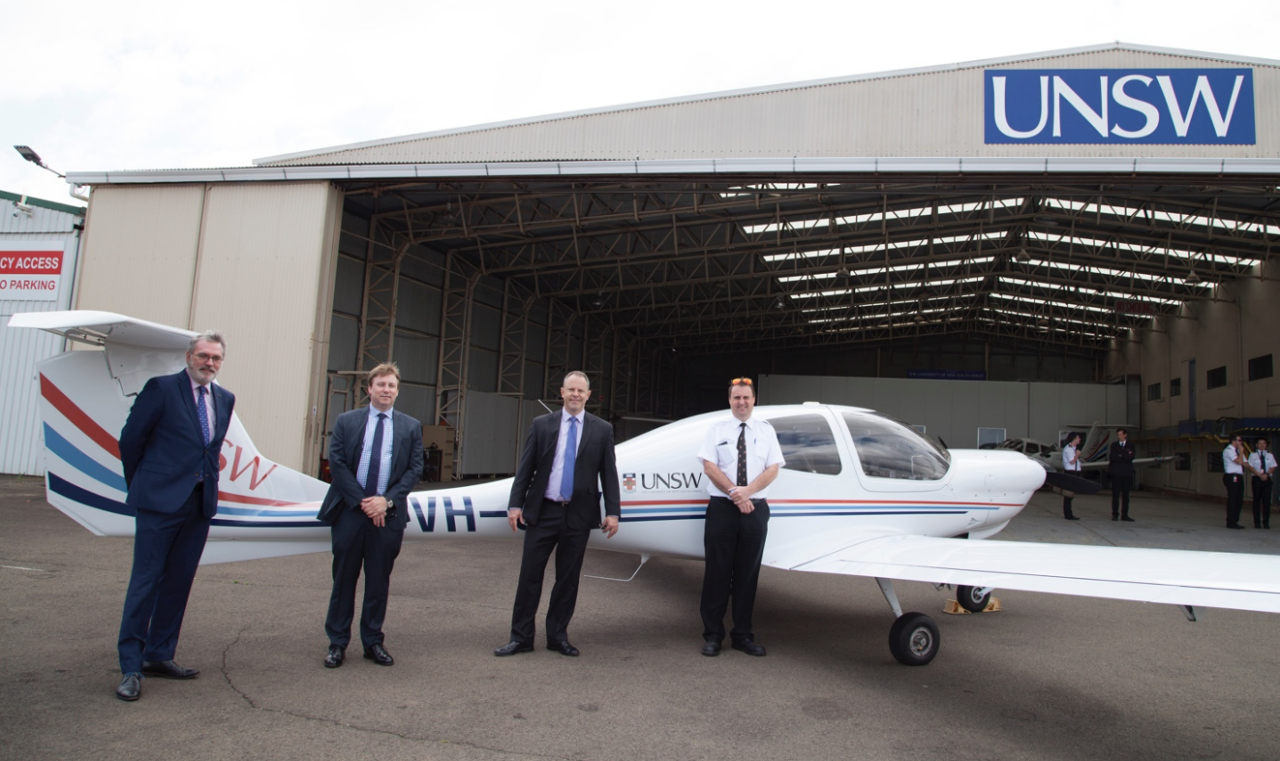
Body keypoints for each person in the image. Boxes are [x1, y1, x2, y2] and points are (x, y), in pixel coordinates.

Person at [114, 331, 235, 702]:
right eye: (203, 356)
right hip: (159, 504)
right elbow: (130, 441)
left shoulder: (224, 399)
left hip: (199, 504)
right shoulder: (162, 389)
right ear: (189, 356)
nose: (209, 363)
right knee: (145, 582)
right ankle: (131, 667)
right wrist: (146, 487)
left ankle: (159, 654)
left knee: (178, 582)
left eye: (215, 358)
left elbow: (208, 450)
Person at [494, 371, 620, 658]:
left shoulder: (602, 429)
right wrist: (515, 504)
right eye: (571, 389)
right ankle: (521, 637)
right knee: (530, 577)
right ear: (561, 392)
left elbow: (608, 473)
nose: (576, 394)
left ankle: (557, 636)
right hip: (544, 512)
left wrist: (613, 511)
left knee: (568, 579)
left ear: (589, 395)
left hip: (578, 515)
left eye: (581, 391)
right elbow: (525, 467)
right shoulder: (542, 425)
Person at [318, 363, 424, 668]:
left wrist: (386, 502)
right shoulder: (346, 421)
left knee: (378, 582)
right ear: (369, 389)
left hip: (388, 517)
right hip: (351, 512)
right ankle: (337, 643)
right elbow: (336, 463)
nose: (386, 390)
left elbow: (414, 469)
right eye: (381, 385)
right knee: (344, 580)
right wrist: (364, 502)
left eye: (392, 386)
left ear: (397, 390)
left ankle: (373, 641)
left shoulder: (411, 426)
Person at [696, 377, 784, 657]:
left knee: (748, 575)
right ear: (730, 401)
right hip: (723, 508)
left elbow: (773, 469)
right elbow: (709, 466)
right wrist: (736, 493)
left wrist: (748, 493)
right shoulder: (716, 429)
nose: (741, 402)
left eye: (746, 397)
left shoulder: (766, 431)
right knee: (717, 573)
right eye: (736, 398)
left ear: (754, 399)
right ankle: (712, 635)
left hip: (755, 510)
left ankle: (743, 636)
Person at [1107, 427, 1136, 522]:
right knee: (1115, 495)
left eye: (1121, 435)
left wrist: (1121, 456)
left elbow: (1131, 457)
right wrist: (1124, 455)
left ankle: (1125, 515)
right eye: (1118, 435)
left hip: (1127, 474)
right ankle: (1115, 514)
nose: (1119, 437)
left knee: (1126, 496)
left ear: (1125, 435)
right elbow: (1113, 457)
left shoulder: (1131, 445)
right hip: (1116, 473)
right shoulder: (1114, 445)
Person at [1248, 438, 1276, 529]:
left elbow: (1273, 466)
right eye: (1260, 443)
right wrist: (1259, 475)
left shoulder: (1270, 455)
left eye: (1264, 443)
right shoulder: (1253, 455)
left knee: (1266, 501)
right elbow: (1250, 467)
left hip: (1267, 479)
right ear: (1257, 445)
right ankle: (1257, 522)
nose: (1262, 445)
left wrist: (1266, 474)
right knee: (1256, 501)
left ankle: (1266, 522)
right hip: (1257, 478)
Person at [1223, 435, 1247, 529]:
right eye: (1239, 440)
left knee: (1239, 499)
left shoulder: (1237, 451)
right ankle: (1230, 521)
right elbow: (1239, 462)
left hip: (1239, 476)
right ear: (1234, 441)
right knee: (1233, 499)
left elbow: (1245, 463)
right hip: (1232, 476)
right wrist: (1241, 452)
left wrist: (1241, 455)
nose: (1241, 442)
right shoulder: (1229, 450)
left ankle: (1235, 520)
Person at [1060, 432, 1082, 521]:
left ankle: (1069, 513)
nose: (1079, 439)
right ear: (1074, 439)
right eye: (1078, 438)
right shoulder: (1069, 449)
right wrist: (1077, 455)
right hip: (1070, 472)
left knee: (1071, 495)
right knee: (1068, 495)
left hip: (1074, 472)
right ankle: (1068, 514)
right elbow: (1072, 461)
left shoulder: (1073, 448)